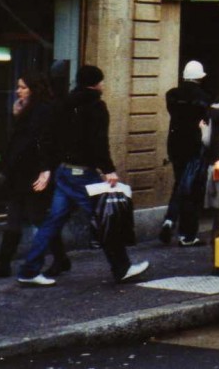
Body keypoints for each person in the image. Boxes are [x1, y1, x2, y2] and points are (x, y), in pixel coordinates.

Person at [16, 65, 148, 286]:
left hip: (64, 172)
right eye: (102, 81)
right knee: (104, 217)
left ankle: (29, 270)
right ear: (96, 83)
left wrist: (48, 167)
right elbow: (99, 143)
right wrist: (108, 169)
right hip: (83, 175)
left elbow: (48, 138)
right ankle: (122, 267)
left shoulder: (62, 104)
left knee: (52, 221)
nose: (103, 85)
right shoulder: (96, 106)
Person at [0, 72, 70, 279]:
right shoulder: (28, 109)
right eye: (18, 87)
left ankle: (61, 258)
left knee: (37, 217)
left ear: (34, 89)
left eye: (23, 87)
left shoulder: (43, 110)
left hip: (32, 174)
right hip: (19, 174)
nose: (18, 91)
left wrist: (45, 171)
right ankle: (2, 264)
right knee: (14, 218)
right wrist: (17, 116)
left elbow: (43, 142)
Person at [160, 60, 212, 247]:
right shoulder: (204, 97)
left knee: (180, 183)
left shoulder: (172, 95)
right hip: (195, 147)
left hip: (175, 146)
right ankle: (187, 234)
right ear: (200, 77)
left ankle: (170, 221)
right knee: (192, 191)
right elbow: (206, 120)